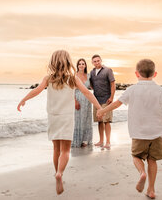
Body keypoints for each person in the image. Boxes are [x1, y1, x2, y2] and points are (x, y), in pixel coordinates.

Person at [97, 59, 162, 199]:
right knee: (152, 160)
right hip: (156, 134)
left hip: (138, 133)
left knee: (136, 156)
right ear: (155, 74)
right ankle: (151, 189)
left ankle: (141, 173)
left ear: (137, 74)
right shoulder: (160, 90)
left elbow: (117, 104)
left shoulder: (132, 90)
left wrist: (102, 111)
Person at [17, 50, 102, 195]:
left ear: (53, 62)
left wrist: (23, 99)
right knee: (66, 150)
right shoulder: (72, 78)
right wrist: (99, 107)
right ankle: (60, 173)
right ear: (68, 62)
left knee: (56, 149)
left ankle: (57, 173)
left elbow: (37, 90)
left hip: (53, 116)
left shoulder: (48, 78)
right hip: (67, 117)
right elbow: (87, 92)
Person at [89, 54, 115, 150]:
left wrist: (112, 97)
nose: (96, 62)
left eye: (98, 61)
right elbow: (92, 85)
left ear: (101, 61)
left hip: (106, 99)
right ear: (92, 63)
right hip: (96, 100)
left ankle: (108, 142)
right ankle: (101, 141)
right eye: (94, 61)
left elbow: (113, 84)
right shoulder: (91, 72)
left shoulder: (108, 70)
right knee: (99, 120)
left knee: (106, 121)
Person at [72, 58, 93, 148]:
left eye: (83, 64)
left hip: (87, 100)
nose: (81, 65)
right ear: (77, 66)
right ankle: (77, 139)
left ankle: (85, 140)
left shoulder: (88, 76)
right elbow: (71, 90)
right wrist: (75, 101)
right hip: (78, 99)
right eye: (79, 64)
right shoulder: (74, 76)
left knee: (87, 119)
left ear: (85, 65)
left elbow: (92, 87)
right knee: (78, 119)